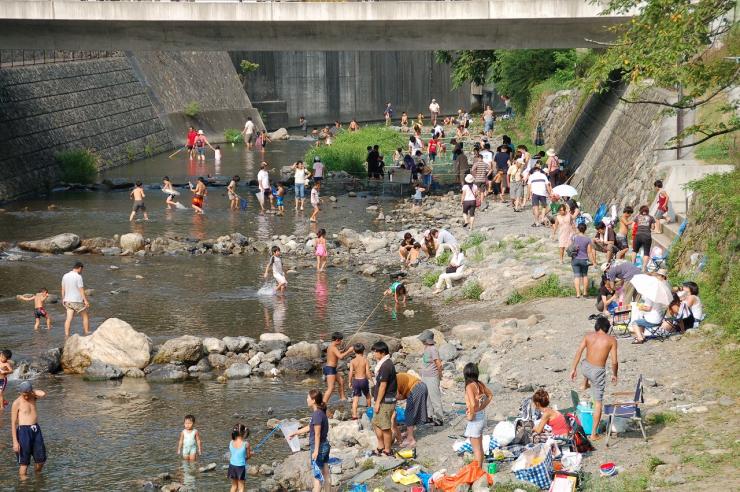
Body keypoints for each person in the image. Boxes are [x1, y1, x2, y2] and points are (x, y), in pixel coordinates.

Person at [569, 316, 618, 439]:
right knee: (598, 402)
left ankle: (585, 383)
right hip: (597, 372)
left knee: (586, 362)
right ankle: (594, 434)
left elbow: (579, 352)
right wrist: (615, 374)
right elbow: (614, 362)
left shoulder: (588, 336)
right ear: (607, 328)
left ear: (596, 327)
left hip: (585, 368)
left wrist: (573, 369)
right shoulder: (611, 340)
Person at [289, 390, 330, 492]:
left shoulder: (316, 414)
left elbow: (317, 434)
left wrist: (316, 451)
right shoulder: (320, 412)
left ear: (313, 400)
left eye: (308, 398)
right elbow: (310, 427)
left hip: (319, 448)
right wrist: (296, 433)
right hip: (325, 446)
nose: (306, 400)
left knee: (317, 477)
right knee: (325, 473)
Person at [12, 381, 47, 478]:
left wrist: (32, 391)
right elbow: (13, 423)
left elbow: (43, 394)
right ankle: (24, 485)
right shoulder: (16, 403)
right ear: (20, 393)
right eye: (24, 395)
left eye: (28, 394)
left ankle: (37, 478)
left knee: (41, 461)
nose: (26, 397)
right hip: (23, 432)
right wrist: (15, 442)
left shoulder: (33, 397)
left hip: (36, 430)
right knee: (24, 463)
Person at [463, 363, 492, 467]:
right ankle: (480, 468)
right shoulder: (479, 384)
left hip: (475, 419)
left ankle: (478, 470)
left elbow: (472, 404)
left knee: (476, 449)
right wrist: (482, 406)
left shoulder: (469, 386)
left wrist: (470, 415)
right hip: (481, 416)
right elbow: (490, 395)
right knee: (479, 446)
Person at [371, 341, 397, 457]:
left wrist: (377, 402)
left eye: (375, 351)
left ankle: (387, 449)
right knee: (376, 423)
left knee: (385, 427)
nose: (374, 354)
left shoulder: (386, 365)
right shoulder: (383, 364)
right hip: (383, 400)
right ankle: (381, 446)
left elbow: (383, 385)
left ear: (382, 352)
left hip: (385, 401)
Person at [393, 373, 428, 448]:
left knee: (409, 413)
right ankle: (409, 433)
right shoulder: (398, 376)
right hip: (422, 386)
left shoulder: (393, 380)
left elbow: (397, 396)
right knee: (415, 411)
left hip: (416, 388)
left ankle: (410, 439)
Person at [419, 330, 444, 425]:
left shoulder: (433, 349)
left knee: (434, 398)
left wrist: (440, 375)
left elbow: (438, 363)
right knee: (427, 397)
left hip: (432, 377)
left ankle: (439, 418)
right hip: (425, 376)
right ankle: (429, 416)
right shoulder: (427, 348)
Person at [323, 332, 354, 404]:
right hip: (330, 369)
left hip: (332, 369)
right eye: (341, 340)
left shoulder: (331, 346)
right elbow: (340, 357)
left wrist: (341, 351)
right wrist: (349, 351)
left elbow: (335, 354)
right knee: (331, 388)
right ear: (337, 340)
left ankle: (342, 398)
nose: (341, 341)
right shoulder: (333, 347)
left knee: (341, 382)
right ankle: (323, 404)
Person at [62, 261, 90, 337]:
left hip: (67, 300)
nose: (81, 271)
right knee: (85, 316)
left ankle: (66, 335)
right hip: (77, 300)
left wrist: (63, 299)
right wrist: (85, 300)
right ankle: (87, 332)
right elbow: (81, 290)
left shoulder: (65, 275)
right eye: (82, 270)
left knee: (68, 319)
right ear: (80, 268)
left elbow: (63, 289)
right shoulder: (78, 276)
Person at [571, 223, 596, 298]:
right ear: (585, 230)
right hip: (584, 260)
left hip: (575, 259)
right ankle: (585, 293)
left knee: (576, 276)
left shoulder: (574, 237)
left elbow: (572, 247)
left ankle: (578, 294)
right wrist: (593, 262)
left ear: (578, 229)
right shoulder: (588, 239)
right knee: (585, 275)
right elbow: (589, 252)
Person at [348, 343, 372, 420]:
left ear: (354, 351)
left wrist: (349, 382)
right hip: (363, 380)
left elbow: (351, 372)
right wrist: (371, 380)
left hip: (356, 381)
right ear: (363, 351)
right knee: (368, 395)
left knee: (355, 398)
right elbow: (368, 372)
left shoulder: (352, 361)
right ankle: (369, 411)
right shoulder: (365, 360)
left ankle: (354, 416)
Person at [227, 423, 252, 492]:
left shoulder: (231, 442)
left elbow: (235, 454)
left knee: (234, 485)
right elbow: (248, 456)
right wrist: (250, 454)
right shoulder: (246, 444)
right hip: (240, 467)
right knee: (241, 487)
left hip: (232, 466)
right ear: (244, 433)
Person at [633, 205, 656, 271]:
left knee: (635, 250)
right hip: (647, 236)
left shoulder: (637, 217)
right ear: (647, 211)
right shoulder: (651, 218)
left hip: (638, 235)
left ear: (641, 211)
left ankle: (632, 265)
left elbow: (632, 226)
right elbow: (652, 228)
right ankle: (643, 268)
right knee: (646, 252)